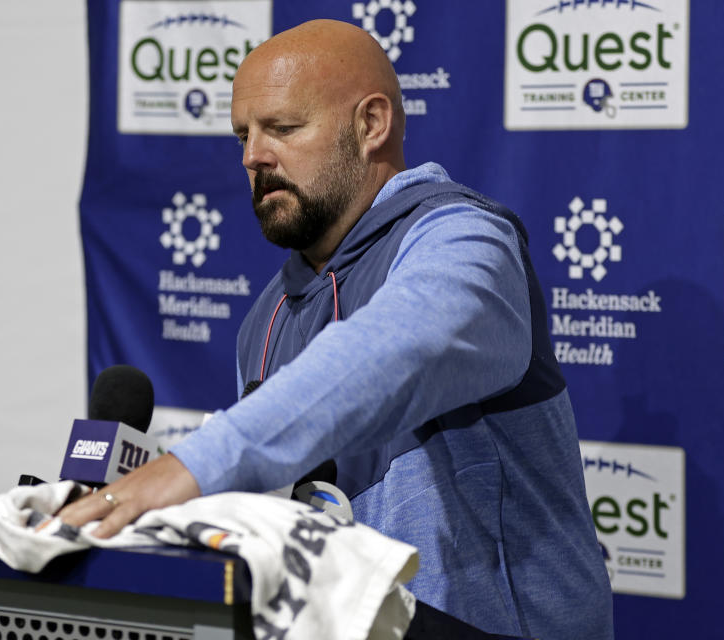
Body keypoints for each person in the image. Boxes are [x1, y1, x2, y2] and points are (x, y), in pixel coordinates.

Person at [60, 19, 613, 639]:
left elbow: (400, 349)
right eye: (243, 135)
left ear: (372, 125)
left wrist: (193, 465)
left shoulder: (463, 238)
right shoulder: (266, 317)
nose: (253, 156)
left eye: (283, 129)